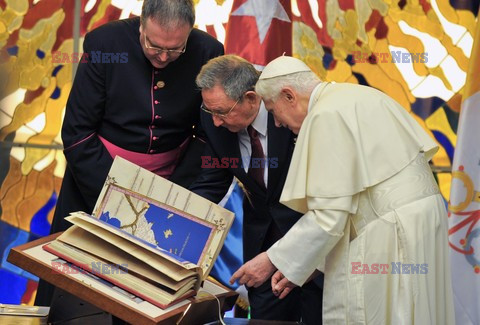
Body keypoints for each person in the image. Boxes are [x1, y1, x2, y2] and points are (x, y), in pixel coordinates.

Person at [231, 55, 455, 324]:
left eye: (273, 110)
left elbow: (329, 216)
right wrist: (303, 267)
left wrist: (272, 259)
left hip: (389, 232)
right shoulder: (357, 95)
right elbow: (352, 203)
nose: (277, 123)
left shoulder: (325, 114)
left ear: (289, 96)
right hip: (416, 220)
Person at [35, 0, 224, 317]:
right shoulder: (105, 43)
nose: (164, 57)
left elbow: (209, 132)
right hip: (96, 181)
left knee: (157, 293)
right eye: (154, 46)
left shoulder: (208, 52)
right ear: (142, 23)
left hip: (171, 186)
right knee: (76, 294)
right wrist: (118, 201)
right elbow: (78, 133)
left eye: (175, 49)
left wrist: (170, 197)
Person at [189, 55, 323, 323]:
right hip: (260, 247)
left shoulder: (296, 111)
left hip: (314, 243)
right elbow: (212, 182)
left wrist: (291, 253)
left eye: (222, 112)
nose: (215, 121)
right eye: (210, 111)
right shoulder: (214, 122)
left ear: (252, 98)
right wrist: (184, 222)